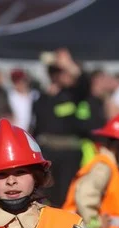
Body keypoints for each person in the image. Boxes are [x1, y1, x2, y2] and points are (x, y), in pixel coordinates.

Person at [31, 49, 89, 207]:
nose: (60, 76)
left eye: (62, 72)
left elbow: (84, 81)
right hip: (48, 152)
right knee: (47, 193)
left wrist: (68, 64)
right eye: (56, 72)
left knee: (67, 193)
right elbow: (36, 126)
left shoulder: (73, 94)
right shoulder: (41, 98)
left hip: (69, 153)